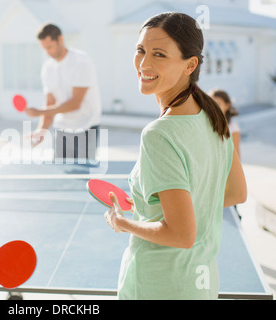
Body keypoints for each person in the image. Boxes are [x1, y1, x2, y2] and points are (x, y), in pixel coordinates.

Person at [104, 12, 247, 299]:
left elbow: (182, 235)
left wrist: (124, 223)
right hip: (201, 285)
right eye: (141, 50)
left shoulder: (159, 134)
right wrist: (164, 206)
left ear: (190, 64)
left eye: (159, 54)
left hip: (161, 285)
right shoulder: (214, 114)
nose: (144, 63)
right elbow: (236, 193)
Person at [25, 23, 102, 163]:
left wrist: (38, 112)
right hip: (62, 129)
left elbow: (75, 103)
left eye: (50, 47)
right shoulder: (48, 68)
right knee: (62, 178)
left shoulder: (81, 61)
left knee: (83, 177)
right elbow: (50, 103)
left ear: (60, 40)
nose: (48, 52)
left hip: (86, 128)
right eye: (44, 48)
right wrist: (41, 130)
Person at [209, 89, 241, 157]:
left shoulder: (233, 128)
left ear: (227, 105)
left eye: (218, 104)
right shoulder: (207, 124)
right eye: (212, 104)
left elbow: (236, 154)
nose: (214, 107)